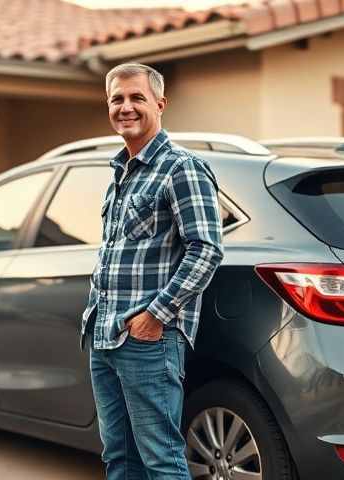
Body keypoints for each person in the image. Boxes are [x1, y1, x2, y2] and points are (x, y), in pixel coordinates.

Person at [80, 63, 224, 479]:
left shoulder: (182, 168)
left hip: (148, 340)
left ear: (160, 104)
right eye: (117, 99)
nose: (126, 107)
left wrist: (155, 315)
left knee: (161, 460)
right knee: (120, 460)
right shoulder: (120, 172)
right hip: (104, 335)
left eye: (136, 97)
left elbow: (206, 250)